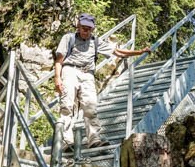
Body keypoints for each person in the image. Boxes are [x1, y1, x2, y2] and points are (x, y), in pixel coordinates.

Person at [53, 13, 150, 147]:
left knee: (90, 107)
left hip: (87, 74)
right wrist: (57, 78)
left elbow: (118, 52)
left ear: (92, 29)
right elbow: (59, 60)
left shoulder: (95, 41)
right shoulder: (68, 38)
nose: (86, 31)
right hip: (70, 70)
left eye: (89, 29)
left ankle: (94, 140)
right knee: (67, 106)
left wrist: (138, 52)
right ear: (78, 26)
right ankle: (65, 142)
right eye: (83, 28)